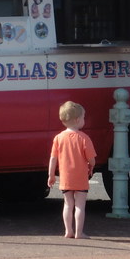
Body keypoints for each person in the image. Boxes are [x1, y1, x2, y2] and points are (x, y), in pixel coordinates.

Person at [47, 101, 97, 239]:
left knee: (68, 204)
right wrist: (92, 164)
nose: (84, 120)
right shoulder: (84, 138)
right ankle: (79, 233)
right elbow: (91, 158)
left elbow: (53, 159)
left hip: (66, 178)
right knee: (80, 205)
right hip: (80, 177)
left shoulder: (58, 138)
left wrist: (51, 175)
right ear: (77, 119)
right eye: (83, 117)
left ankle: (68, 230)